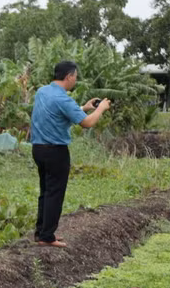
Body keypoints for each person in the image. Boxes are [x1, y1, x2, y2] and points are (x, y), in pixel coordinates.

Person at [30, 60, 111, 248]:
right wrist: (101, 108)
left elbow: (58, 115)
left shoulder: (42, 92)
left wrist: (83, 108)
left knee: (45, 191)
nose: (76, 80)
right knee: (55, 193)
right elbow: (87, 123)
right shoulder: (63, 99)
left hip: (38, 149)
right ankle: (48, 236)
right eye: (75, 76)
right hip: (55, 151)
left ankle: (41, 232)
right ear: (69, 76)